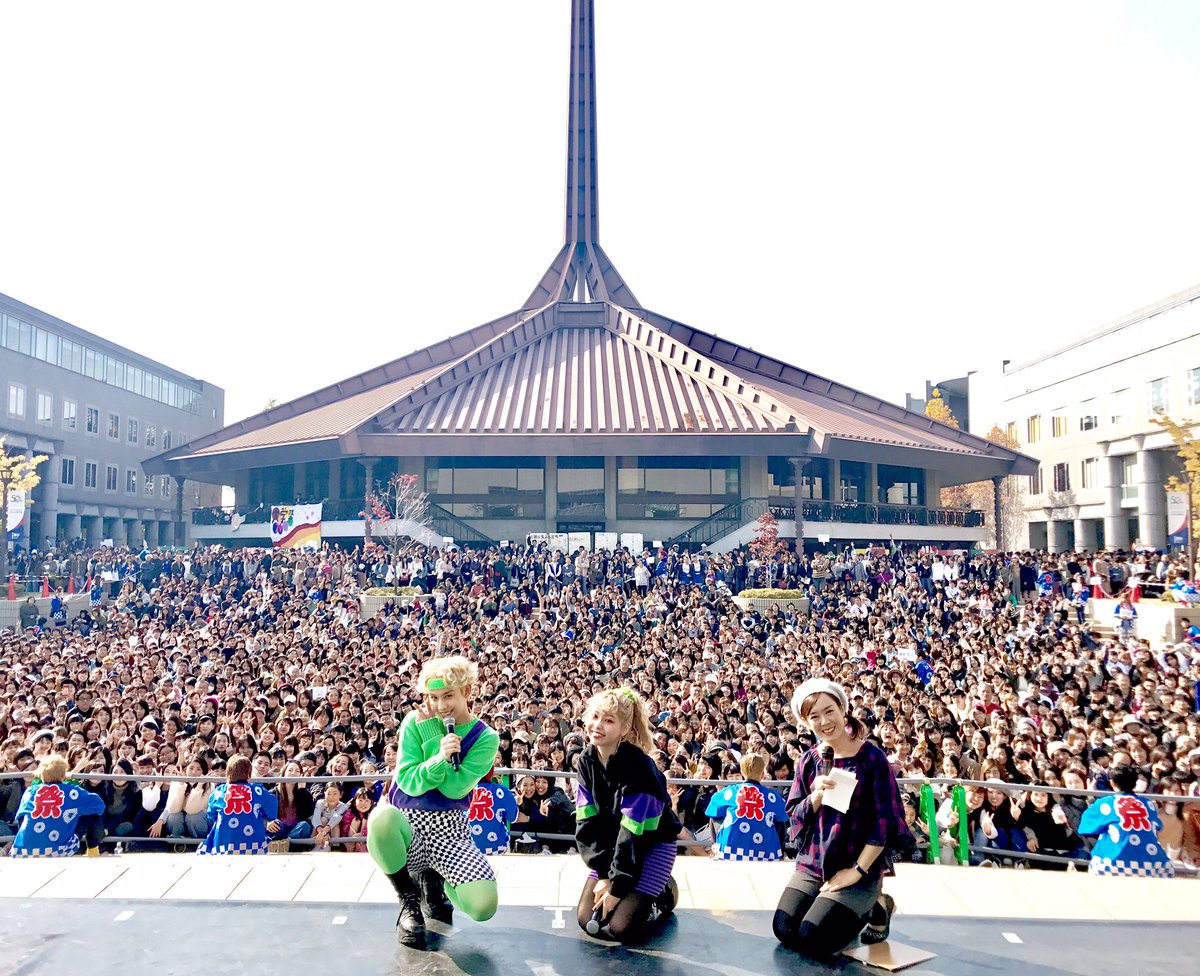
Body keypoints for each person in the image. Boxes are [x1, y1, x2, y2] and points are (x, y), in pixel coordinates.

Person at [367, 655, 500, 949]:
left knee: (482, 907)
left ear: (467, 691)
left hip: (450, 834)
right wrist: (437, 750)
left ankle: (436, 878)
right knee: (380, 819)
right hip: (408, 826)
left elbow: (454, 789)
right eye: (433, 697)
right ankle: (408, 898)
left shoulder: (486, 737)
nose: (441, 706)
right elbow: (409, 781)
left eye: (448, 695)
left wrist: (435, 750)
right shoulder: (415, 722)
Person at [774, 679, 912, 958]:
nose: (824, 721)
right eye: (814, 716)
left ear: (842, 709)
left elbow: (885, 822)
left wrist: (857, 871)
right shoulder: (809, 760)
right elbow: (793, 814)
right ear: (805, 721)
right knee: (784, 929)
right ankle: (834, 902)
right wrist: (814, 797)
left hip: (857, 863)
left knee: (812, 937)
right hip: (815, 862)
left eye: (829, 711)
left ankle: (877, 903)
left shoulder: (872, 758)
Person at [574, 688, 681, 944]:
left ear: (624, 729)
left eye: (609, 720)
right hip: (614, 849)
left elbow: (633, 833)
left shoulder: (640, 767)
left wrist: (616, 886)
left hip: (651, 846)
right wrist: (602, 874)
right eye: (595, 716)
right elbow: (586, 822)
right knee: (585, 919)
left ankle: (664, 888)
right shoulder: (586, 761)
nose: (598, 725)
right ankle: (631, 887)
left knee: (620, 928)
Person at [1078, 764, 1173, 877]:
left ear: (1112, 783)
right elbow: (1158, 826)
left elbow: (1085, 827)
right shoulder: (1149, 804)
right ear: (1135, 783)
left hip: (1111, 863)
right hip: (1153, 864)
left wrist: (1090, 799)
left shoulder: (1105, 803)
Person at [9, 754, 106, 857]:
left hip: (21, 850)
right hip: (58, 850)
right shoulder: (72, 792)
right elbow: (99, 805)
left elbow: (20, 817)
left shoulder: (30, 791)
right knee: (92, 813)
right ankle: (93, 851)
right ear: (64, 773)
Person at [706, 752, 787, 861]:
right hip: (767, 853)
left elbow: (712, 810)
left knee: (716, 813)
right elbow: (783, 818)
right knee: (779, 821)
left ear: (742, 773)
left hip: (729, 851)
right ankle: (780, 854)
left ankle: (716, 847)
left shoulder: (728, 792)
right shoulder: (773, 796)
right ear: (763, 774)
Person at [197, 755, 278, 855]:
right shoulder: (257, 790)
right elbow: (272, 810)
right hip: (254, 847)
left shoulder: (220, 791)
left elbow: (211, 814)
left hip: (223, 846)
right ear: (249, 773)